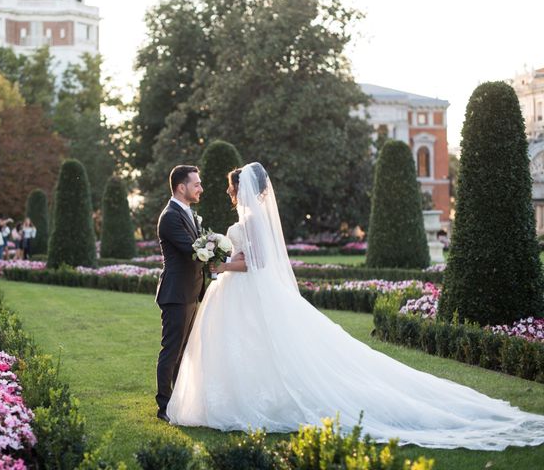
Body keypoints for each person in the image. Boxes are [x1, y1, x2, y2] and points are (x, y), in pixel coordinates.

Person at [166, 162, 544, 450]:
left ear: (242, 188)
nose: (228, 190)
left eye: (231, 186)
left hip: (246, 290)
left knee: (259, 347)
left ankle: (257, 400)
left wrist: (220, 264)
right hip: (243, 293)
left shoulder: (249, 220)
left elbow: (257, 261)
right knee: (254, 348)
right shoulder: (251, 217)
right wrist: (222, 263)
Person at [154, 165, 207, 423]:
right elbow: (191, 249)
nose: (200, 189)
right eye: (196, 184)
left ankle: (179, 401)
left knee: (184, 351)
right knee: (172, 351)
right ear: (181, 187)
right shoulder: (170, 216)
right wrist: (220, 252)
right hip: (176, 293)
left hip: (190, 291)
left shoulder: (187, 212)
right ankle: (164, 405)